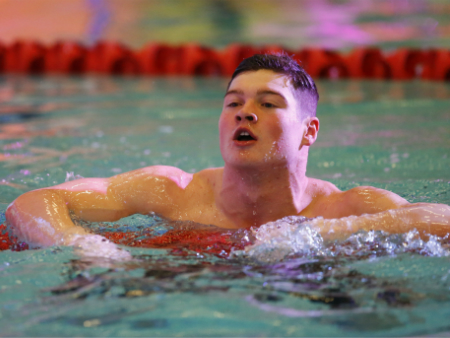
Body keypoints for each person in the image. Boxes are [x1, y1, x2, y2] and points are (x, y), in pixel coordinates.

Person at [5, 54, 450, 259]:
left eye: (268, 104)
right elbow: (32, 203)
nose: (245, 113)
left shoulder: (348, 207)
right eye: (233, 102)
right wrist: (85, 245)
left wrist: (318, 233)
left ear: (309, 132)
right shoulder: (172, 191)